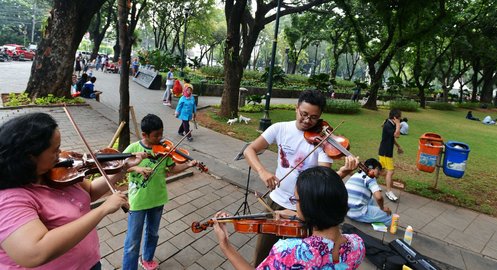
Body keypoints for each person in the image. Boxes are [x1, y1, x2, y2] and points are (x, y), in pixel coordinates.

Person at [0, 112, 147, 269]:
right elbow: (35, 252)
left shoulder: (54, 172)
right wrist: (102, 210)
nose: (61, 154)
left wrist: (123, 169)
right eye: (55, 150)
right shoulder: (10, 198)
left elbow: (89, 191)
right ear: (30, 157)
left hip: (89, 262)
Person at [243, 89, 359, 265]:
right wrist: (263, 171)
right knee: (263, 254)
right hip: (276, 202)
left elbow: (323, 182)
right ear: (296, 108)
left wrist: (343, 172)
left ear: (320, 116)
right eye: (304, 114)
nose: (307, 121)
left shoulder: (322, 141)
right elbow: (249, 150)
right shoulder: (279, 128)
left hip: (306, 211)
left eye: (314, 118)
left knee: (298, 260)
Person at [213, 166, 366, 269]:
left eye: (296, 200)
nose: (295, 205)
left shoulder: (288, 252)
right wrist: (298, 214)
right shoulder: (357, 245)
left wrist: (225, 244)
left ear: (309, 208)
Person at [122, 114, 198, 270]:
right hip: (137, 202)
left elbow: (173, 168)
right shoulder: (134, 148)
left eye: (161, 134)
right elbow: (121, 166)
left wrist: (189, 165)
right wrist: (138, 167)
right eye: (155, 135)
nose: (160, 138)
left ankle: (147, 259)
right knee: (133, 241)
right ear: (144, 135)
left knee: (153, 233)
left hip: (157, 199)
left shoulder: (165, 150)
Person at [346, 158, 392, 226]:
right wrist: (382, 208)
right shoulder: (371, 177)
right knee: (389, 215)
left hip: (346, 210)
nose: (379, 175)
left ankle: (371, 216)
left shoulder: (356, 174)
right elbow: (379, 197)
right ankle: (379, 226)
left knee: (371, 199)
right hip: (357, 213)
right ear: (374, 168)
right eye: (379, 171)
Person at [379, 109, 403, 202]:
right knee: (390, 171)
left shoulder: (390, 124)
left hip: (385, 151)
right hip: (385, 152)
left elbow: (392, 138)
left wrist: (398, 146)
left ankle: (369, 176)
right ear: (395, 118)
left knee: (382, 171)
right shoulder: (389, 125)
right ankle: (388, 191)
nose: (400, 120)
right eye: (399, 118)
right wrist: (398, 124)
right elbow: (397, 135)